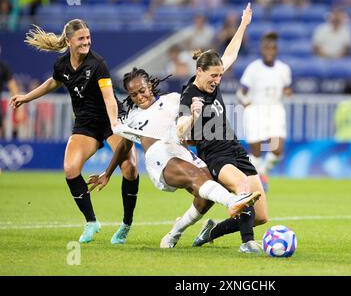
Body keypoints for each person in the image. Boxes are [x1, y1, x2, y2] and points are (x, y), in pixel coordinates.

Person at [86, 68, 262, 248]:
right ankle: (233, 201)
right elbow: (124, 146)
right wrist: (107, 173)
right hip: (159, 156)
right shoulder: (132, 117)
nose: (139, 97)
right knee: (198, 179)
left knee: (205, 197)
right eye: (133, 95)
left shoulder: (174, 99)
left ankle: (175, 231)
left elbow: (189, 128)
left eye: (142, 91)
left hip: (182, 152)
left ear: (151, 86)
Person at [9, 19, 140, 244]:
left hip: (111, 121)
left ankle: (126, 224)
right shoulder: (62, 65)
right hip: (86, 124)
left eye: (88, 38)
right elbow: (53, 82)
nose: (87, 42)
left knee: (129, 167)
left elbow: (109, 99)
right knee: (70, 169)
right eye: (81, 39)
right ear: (69, 41)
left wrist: (116, 124)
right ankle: (91, 222)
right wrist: (26, 97)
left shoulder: (98, 64)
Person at [177, 3, 269, 254]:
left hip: (235, 149)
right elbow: (179, 130)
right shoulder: (189, 95)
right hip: (215, 154)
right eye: (213, 76)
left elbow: (230, 54)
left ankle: (211, 231)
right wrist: (192, 116)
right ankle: (247, 244)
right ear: (199, 71)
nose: (217, 81)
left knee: (261, 216)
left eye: (219, 76)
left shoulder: (211, 81)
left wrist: (243, 25)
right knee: (243, 188)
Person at [236, 32, 292, 191]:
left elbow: (287, 88)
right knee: (257, 150)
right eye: (266, 48)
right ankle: (256, 181)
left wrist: (288, 92)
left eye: (272, 48)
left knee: (277, 148)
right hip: (256, 109)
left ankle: (262, 172)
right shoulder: (253, 68)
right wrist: (246, 103)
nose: (269, 51)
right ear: (262, 50)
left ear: (276, 50)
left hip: (275, 109)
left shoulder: (284, 69)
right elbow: (241, 92)